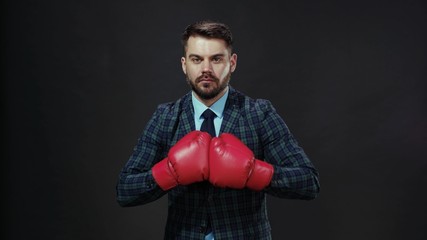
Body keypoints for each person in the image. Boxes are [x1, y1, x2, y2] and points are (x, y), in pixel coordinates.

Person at [116, 20, 320, 240]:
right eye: (197, 59)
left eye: (216, 59)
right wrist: (169, 172)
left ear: (232, 63)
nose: (206, 69)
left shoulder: (258, 114)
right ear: (184, 64)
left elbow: (308, 182)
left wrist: (255, 173)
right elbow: (125, 190)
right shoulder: (166, 117)